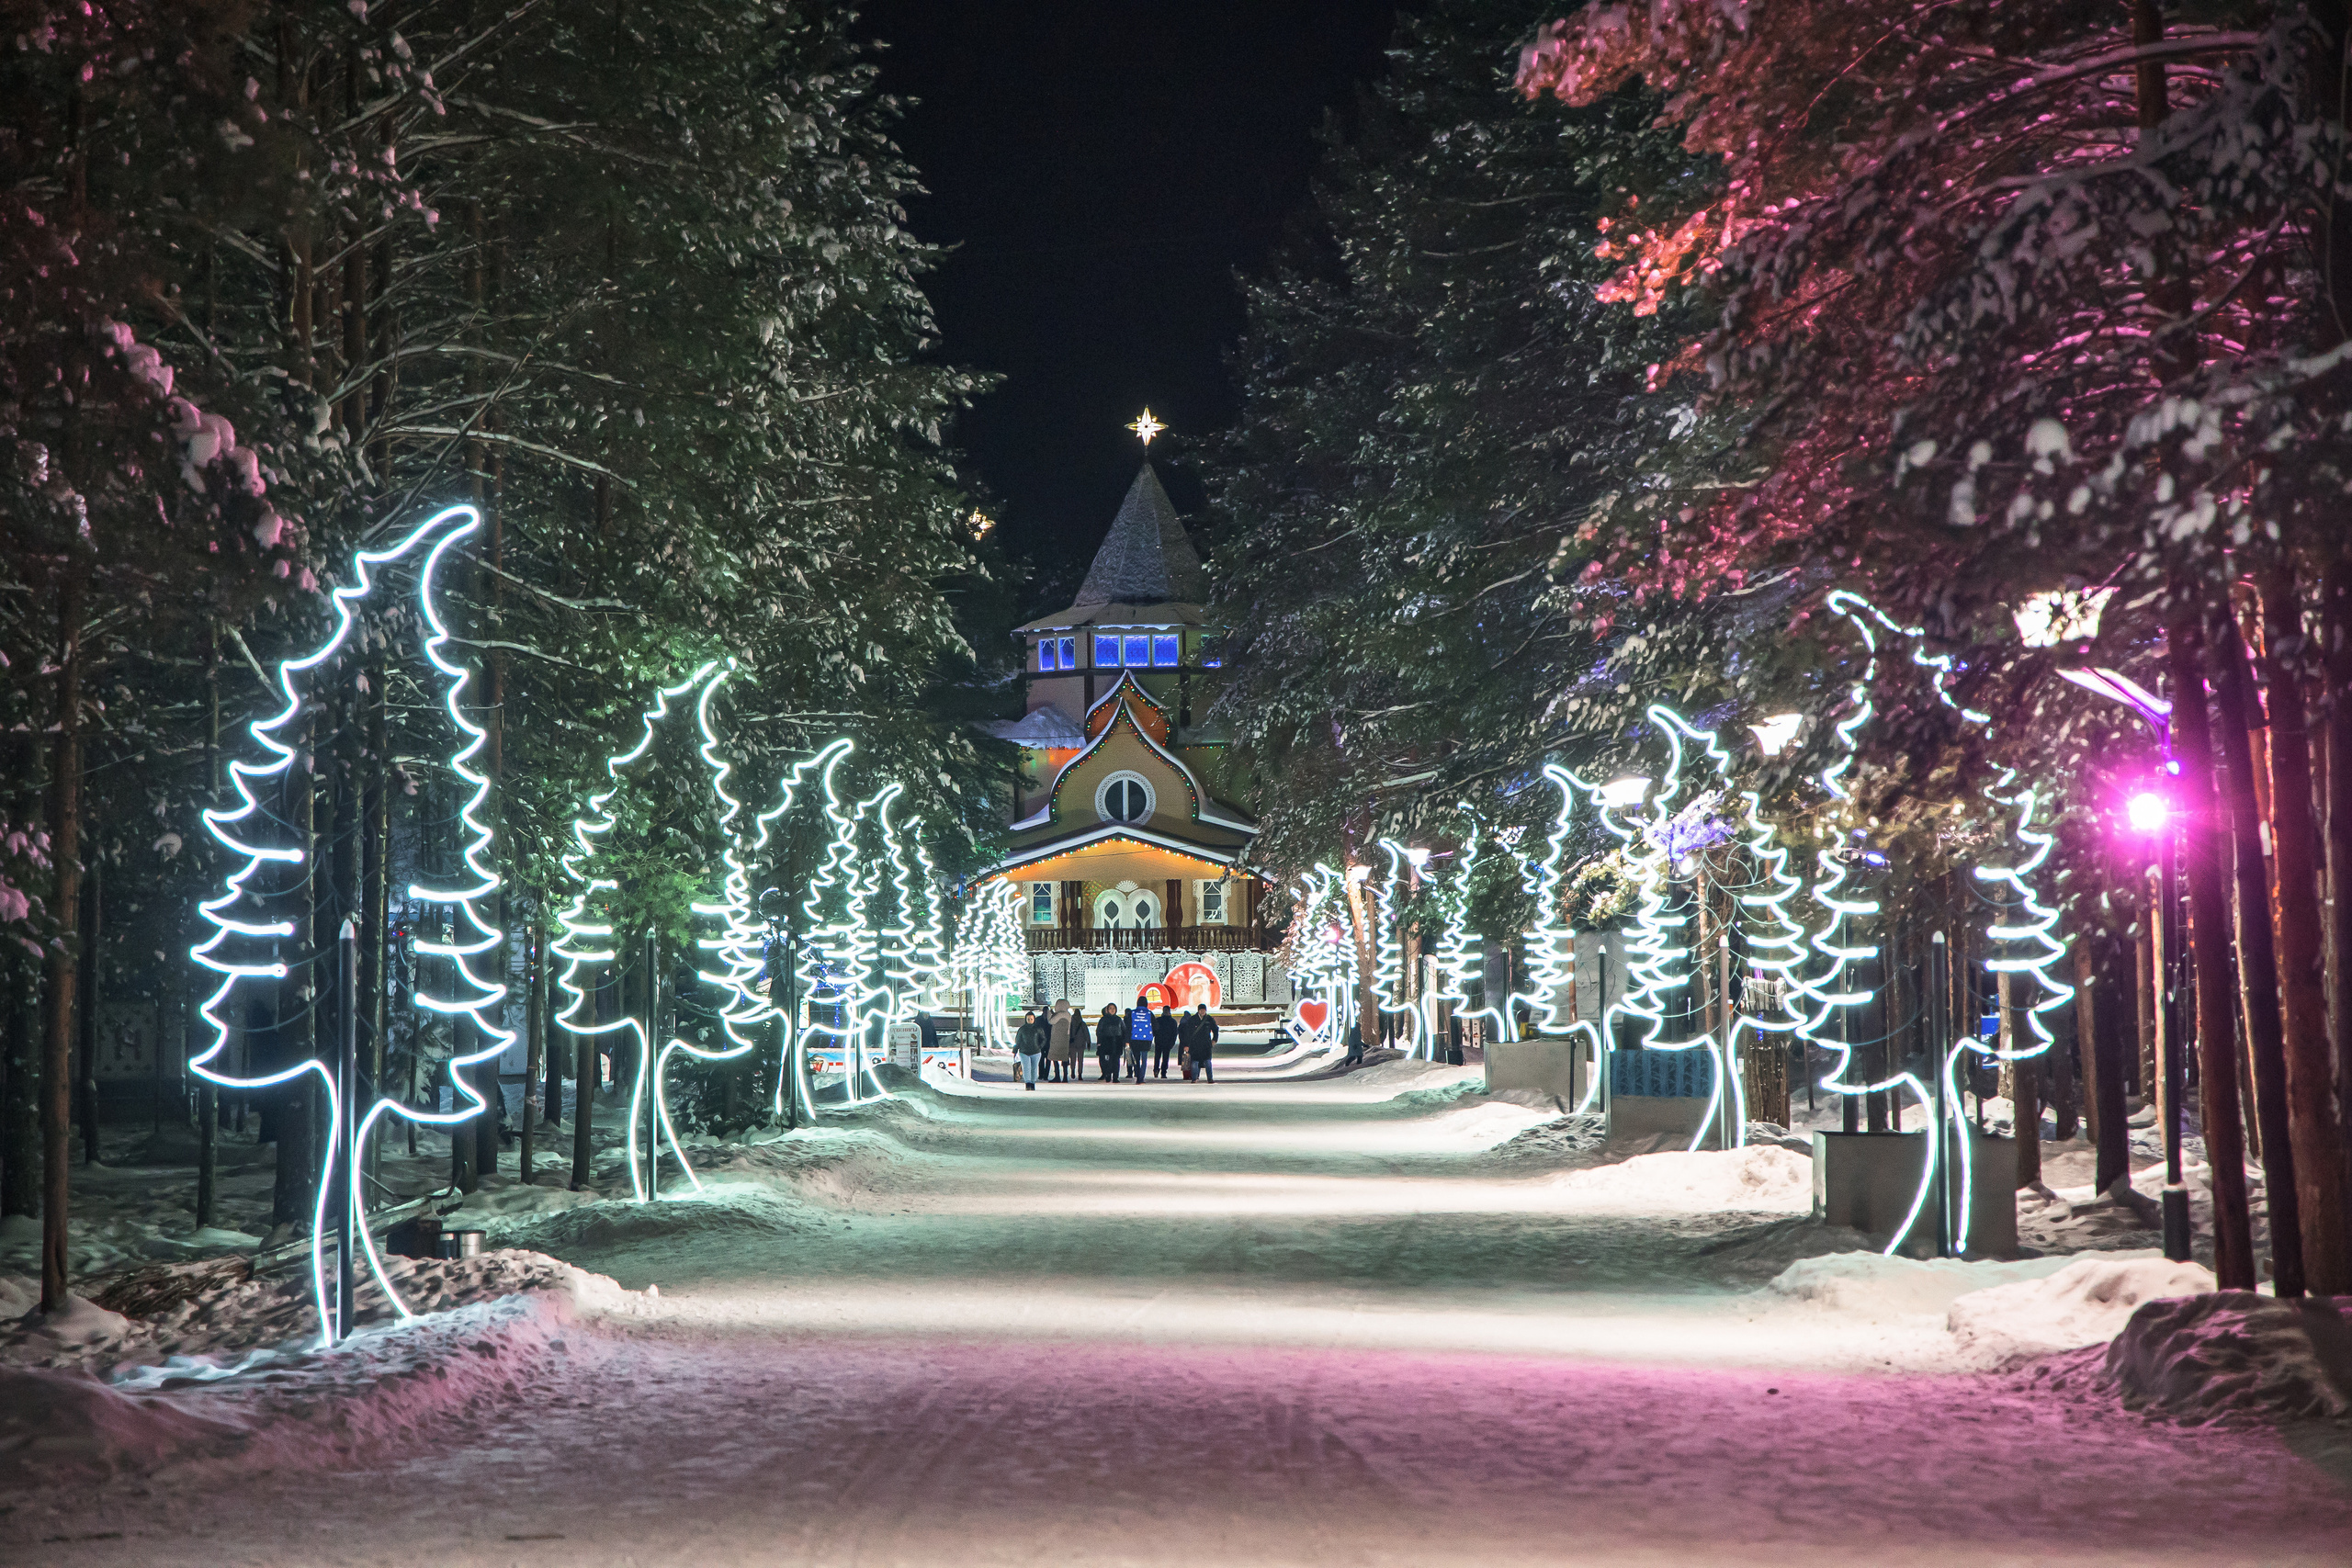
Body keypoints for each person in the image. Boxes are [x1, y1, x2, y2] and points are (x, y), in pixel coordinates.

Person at [1182, 1002, 1217, 1083]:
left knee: (1208, 1061)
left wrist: (1214, 1039)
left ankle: (1210, 1078)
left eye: (1204, 1010)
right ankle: (1194, 1078)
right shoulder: (1192, 1019)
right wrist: (1186, 1045)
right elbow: (1187, 1033)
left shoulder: (1209, 1019)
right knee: (1195, 1061)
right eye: (1201, 1010)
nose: (1202, 1012)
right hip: (1195, 1044)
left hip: (1206, 1044)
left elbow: (1215, 1029)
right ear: (1198, 1011)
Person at [1046, 999, 1076, 1082]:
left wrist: (1050, 1014)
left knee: (1055, 1058)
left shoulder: (1059, 1015)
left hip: (1056, 1039)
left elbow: (1051, 1021)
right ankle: (1065, 1077)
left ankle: (1057, 1076)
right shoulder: (1068, 1015)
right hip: (1065, 1039)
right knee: (1064, 1058)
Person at [1125, 1000, 1153, 1082]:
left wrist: (1127, 1040)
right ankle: (1141, 1077)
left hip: (1135, 1040)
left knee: (1136, 1059)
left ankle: (1137, 1075)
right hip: (1146, 1040)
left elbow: (1128, 1028)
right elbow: (1155, 1026)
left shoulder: (1132, 1013)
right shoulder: (1149, 1014)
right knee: (1144, 1059)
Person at [1014, 1010, 1043, 1090]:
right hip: (1024, 1051)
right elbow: (1018, 1040)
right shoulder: (1022, 1029)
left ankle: (1032, 1083)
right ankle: (1028, 1083)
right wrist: (1016, 1049)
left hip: (1036, 1051)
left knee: (1034, 1068)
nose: (1030, 1020)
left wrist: (1039, 1046)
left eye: (1031, 1019)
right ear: (1026, 1019)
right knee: (1026, 1067)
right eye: (1028, 1019)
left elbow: (1043, 1038)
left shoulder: (1038, 1029)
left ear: (1034, 1019)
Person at [1094, 1003, 1123, 1083]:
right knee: (1108, 1061)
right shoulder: (1103, 1020)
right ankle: (1108, 1075)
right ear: (1107, 1010)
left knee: (1116, 1061)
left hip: (1117, 1042)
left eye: (1114, 1008)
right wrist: (1100, 1042)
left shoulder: (1119, 1020)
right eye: (1110, 1008)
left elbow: (1123, 1031)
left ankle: (1116, 1077)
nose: (1112, 1010)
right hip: (1106, 1043)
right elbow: (1099, 1031)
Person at [1151, 1004, 1179, 1079]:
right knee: (1163, 1057)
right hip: (1165, 1042)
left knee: (1159, 1057)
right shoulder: (1172, 1021)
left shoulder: (1159, 1020)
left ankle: (1158, 1071)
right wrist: (1172, 1042)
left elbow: (1154, 1031)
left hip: (1161, 1041)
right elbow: (1174, 1033)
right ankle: (1161, 1072)